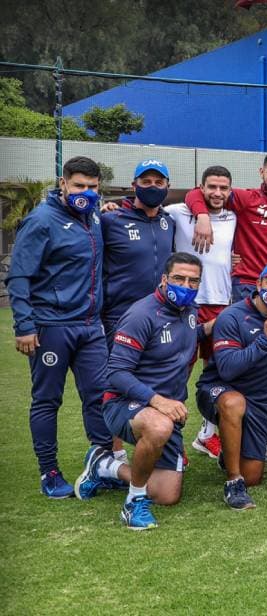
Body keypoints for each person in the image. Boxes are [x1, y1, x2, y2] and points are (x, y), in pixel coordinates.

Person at [7, 155, 111, 498]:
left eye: (93, 187)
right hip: (51, 326)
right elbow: (19, 277)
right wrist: (24, 326)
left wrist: (104, 208)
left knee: (99, 396)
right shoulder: (40, 221)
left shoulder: (93, 215)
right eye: (79, 185)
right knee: (48, 400)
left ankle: (102, 463)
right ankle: (49, 472)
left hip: (90, 326)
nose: (86, 192)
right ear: (63, 183)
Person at [77, 254, 205, 529]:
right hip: (123, 404)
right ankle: (133, 502)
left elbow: (194, 336)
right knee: (158, 427)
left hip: (166, 412)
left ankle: (103, 466)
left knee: (167, 494)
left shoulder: (190, 311)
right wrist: (158, 401)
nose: (186, 285)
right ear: (163, 279)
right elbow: (117, 373)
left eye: (193, 281)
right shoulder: (141, 315)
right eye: (179, 278)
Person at [194, 261, 267, 509]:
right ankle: (233, 483)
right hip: (218, 390)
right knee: (234, 402)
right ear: (258, 284)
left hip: (259, 402)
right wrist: (265, 341)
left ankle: (231, 455)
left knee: (254, 477)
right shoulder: (232, 317)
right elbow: (227, 369)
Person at [165, 165, 238, 459]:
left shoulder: (234, 215)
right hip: (185, 303)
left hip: (221, 304)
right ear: (201, 187)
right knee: (178, 372)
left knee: (217, 372)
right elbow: (144, 206)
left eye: (223, 188)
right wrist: (202, 214)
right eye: (212, 187)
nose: (217, 193)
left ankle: (207, 435)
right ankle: (171, 438)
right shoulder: (178, 211)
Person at [187, 150, 267, 300]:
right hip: (247, 284)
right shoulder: (247, 198)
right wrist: (202, 216)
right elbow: (196, 193)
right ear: (262, 172)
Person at [100, 159, 176, 340]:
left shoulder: (169, 222)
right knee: (119, 368)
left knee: (155, 368)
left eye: (159, 183)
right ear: (134, 186)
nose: (153, 187)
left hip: (159, 313)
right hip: (119, 316)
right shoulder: (110, 220)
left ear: (167, 186)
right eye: (146, 182)